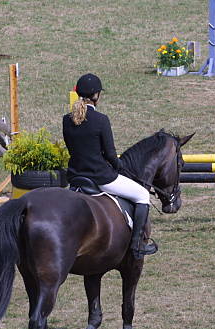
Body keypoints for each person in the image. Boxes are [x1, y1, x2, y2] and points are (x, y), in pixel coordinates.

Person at [62, 73, 157, 259]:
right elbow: (110, 155)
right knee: (142, 194)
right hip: (100, 177)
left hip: (75, 177)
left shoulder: (67, 119)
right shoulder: (101, 120)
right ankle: (137, 245)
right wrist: (121, 167)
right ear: (96, 95)